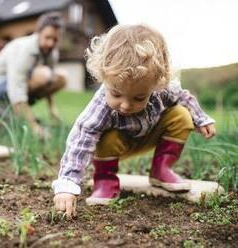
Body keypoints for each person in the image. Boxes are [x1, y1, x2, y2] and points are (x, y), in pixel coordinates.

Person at [52, 24, 216, 218]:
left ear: (156, 83)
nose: (126, 105)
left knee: (181, 115)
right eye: (116, 94)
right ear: (103, 77)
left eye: (139, 97)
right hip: (115, 146)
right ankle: (105, 179)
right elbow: (80, 140)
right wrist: (67, 184)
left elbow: (184, 97)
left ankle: (161, 170)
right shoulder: (101, 106)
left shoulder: (161, 89)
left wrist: (201, 119)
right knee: (103, 135)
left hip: (148, 135)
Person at [0, 12, 67, 138]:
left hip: (21, 83)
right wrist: (34, 127)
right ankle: (8, 109)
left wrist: (52, 109)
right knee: (44, 74)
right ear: (38, 33)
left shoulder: (52, 52)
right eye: (47, 37)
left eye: (55, 40)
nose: (51, 43)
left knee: (61, 78)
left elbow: (50, 82)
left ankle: (15, 112)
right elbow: (16, 90)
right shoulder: (24, 50)